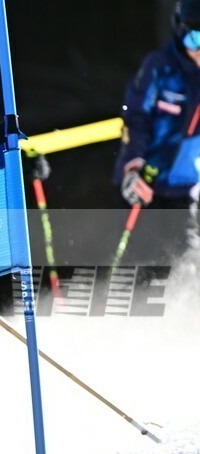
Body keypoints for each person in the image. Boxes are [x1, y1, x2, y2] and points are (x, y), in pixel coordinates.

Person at [112, 0, 200, 266]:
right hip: (145, 185)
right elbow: (135, 117)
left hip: (185, 191)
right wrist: (132, 166)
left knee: (185, 265)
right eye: (194, 38)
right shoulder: (160, 67)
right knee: (139, 266)